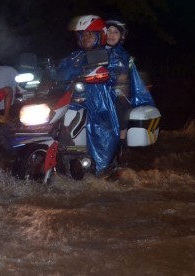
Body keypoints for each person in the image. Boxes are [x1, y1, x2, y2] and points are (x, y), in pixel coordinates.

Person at [55, 14, 120, 177]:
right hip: (69, 100)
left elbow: (113, 75)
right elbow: (58, 73)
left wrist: (102, 76)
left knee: (99, 124)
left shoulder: (110, 55)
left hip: (99, 102)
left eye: (90, 34)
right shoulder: (74, 57)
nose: (86, 37)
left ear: (100, 36)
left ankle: (100, 166)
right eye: (83, 34)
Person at [105, 18, 156, 166]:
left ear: (122, 36)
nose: (111, 35)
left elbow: (123, 78)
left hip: (117, 95)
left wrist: (117, 87)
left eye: (116, 32)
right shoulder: (92, 52)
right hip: (95, 94)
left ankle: (121, 145)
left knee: (122, 108)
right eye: (108, 31)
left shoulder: (124, 56)